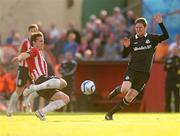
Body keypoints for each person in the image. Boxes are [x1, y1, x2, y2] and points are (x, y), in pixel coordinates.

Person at [105, 13, 169, 120]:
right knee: (125, 89)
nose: (138, 29)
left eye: (140, 27)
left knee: (129, 98)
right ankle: (118, 90)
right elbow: (124, 55)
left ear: (145, 28)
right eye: (136, 28)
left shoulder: (152, 38)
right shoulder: (132, 40)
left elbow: (166, 36)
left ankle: (110, 114)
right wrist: (125, 47)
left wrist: (160, 23)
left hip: (144, 74)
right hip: (132, 70)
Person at [13, 32, 69, 120]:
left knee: (65, 99)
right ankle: (36, 87)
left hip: (42, 85)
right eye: (40, 41)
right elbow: (25, 54)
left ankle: (41, 112)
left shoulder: (38, 53)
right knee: (63, 83)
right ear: (34, 43)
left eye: (43, 41)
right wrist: (19, 58)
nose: (42, 43)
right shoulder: (34, 50)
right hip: (41, 80)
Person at [6, 24, 39, 116]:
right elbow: (22, 54)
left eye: (35, 30)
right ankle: (9, 110)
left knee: (38, 88)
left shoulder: (38, 42)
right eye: (31, 30)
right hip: (24, 69)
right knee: (18, 91)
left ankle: (28, 106)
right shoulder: (25, 43)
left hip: (33, 70)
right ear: (28, 32)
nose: (33, 32)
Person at [164, 39, 180, 112]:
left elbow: (176, 68)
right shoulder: (168, 59)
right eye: (174, 50)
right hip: (169, 80)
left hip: (177, 81)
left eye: (176, 50)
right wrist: (173, 67)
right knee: (168, 97)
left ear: (178, 51)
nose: (175, 51)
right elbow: (165, 68)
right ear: (172, 51)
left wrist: (171, 67)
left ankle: (177, 111)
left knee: (177, 97)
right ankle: (167, 111)